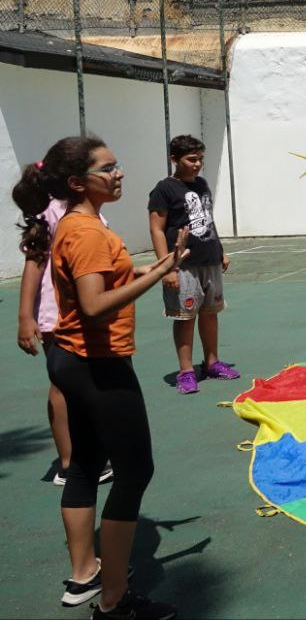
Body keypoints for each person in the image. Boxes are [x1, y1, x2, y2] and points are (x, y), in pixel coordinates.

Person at [28, 136, 187, 617]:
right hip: (97, 364)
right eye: (108, 168)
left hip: (71, 359)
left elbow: (96, 280)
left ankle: (85, 574)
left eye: (117, 165)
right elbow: (95, 306)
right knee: (135, 470)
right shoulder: (89, 231)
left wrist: (156, 264)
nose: (118, 174)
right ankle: (115, 602)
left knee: (84, 464)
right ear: (78, 182)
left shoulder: (79, 224)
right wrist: (156, 277)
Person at [13, 169, 114, 489]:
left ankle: (86, 452)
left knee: (84, 382)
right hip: (57, 313)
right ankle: (69, 463)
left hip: (81, 309)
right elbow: (35, 263)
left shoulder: (80, 210)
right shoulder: (53, 213)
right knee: (63, 384)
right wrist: (25, 318)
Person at [147, 135, 236, 396]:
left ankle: (212, 363)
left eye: (200, 159)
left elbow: (208, 219)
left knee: (210, 313)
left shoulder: (202, 184)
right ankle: (186, 371)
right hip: (183, 266)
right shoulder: (164, 189)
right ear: (174, 159)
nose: (197, 164)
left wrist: (220, 250)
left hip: (209, 261)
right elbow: (156, 229)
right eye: (191, 159)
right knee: (185, 318)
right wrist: (168, 267)